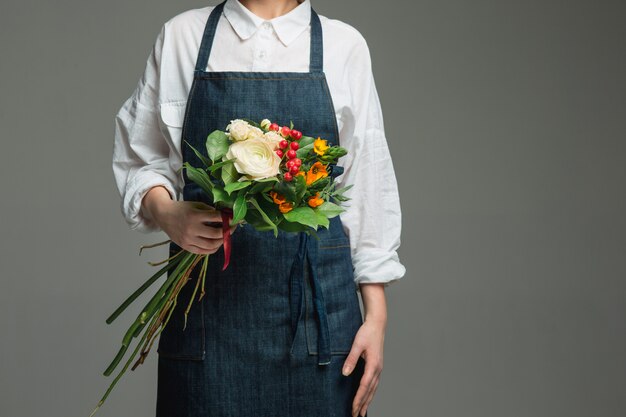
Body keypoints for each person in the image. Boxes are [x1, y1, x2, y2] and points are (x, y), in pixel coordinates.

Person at [112, 1, 405, 416]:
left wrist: (376, 318)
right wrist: (169, 214)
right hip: (207, 318)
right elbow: (140, 158)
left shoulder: (344, 46)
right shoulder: (183, 36)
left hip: (318, 328)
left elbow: (367, 189)